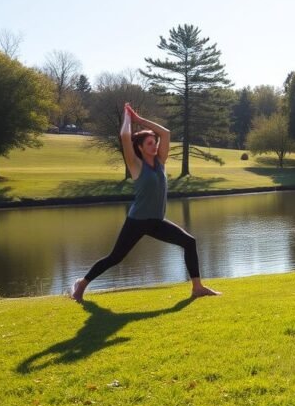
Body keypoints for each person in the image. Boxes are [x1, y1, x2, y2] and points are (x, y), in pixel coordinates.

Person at [70, 103, 220, 302]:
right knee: (115, 258)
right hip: (137, 221)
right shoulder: (136, 165)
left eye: (154, 142)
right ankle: (82, 284)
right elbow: (125, 137)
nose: (154, 145)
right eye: (149, 143)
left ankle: (197, 287)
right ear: (140, 148)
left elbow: (165, 133)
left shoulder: (161, 161)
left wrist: (140, 120)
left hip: (157, 221)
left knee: (189, 242)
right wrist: (127, 117)